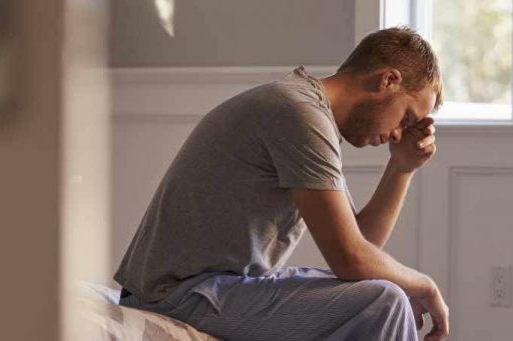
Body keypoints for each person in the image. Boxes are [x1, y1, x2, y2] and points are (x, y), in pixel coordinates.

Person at [114, 26, 449, 341]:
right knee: (384, 301)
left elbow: (362, 244)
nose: (397, 134)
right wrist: (425, 285)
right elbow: (350, 258)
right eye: (405, 119)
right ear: (388, 80)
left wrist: (401, 167)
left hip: (218, 286)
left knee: (378, 295)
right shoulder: (299, 114)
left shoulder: (308, 111)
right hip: (175, 292)